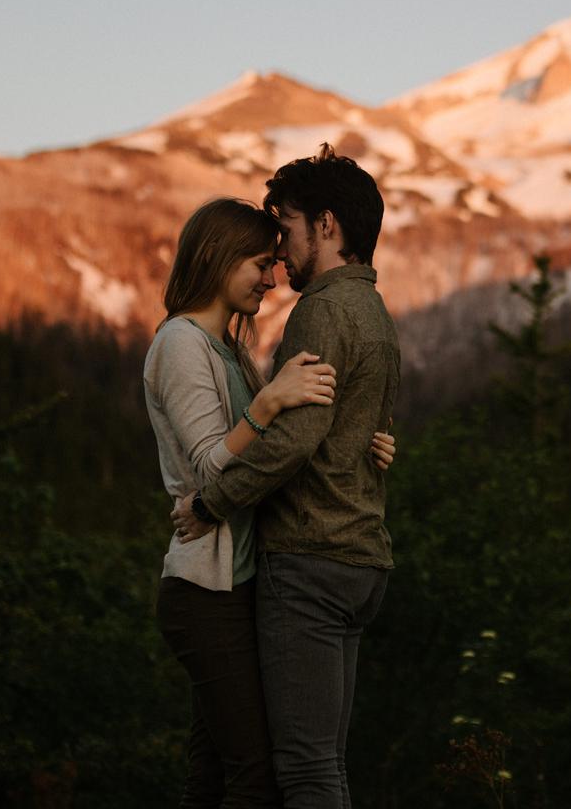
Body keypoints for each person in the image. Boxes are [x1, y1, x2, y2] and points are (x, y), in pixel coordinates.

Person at [144, 196, 395, 808]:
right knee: (256, 775)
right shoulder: (180, 344)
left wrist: (359, 441)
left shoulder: (228, 349)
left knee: (214, 773)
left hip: (238, 581)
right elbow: (210, 469)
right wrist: (267, 403)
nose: (271, 276)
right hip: (207, 588)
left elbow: (280, 444)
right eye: (259, 263)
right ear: (216, 256)